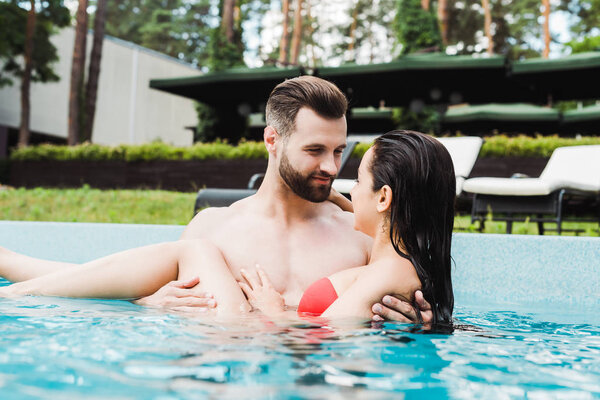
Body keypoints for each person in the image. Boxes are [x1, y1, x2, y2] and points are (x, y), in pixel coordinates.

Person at [0, 76, 432, 323]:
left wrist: (417, 318)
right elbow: (139, 286)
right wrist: (149, 302)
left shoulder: (358, 236)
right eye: (315, 151)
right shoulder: (214, 227)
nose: (331, 167)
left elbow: (397, 300)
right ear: (272, 140)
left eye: (339, 151)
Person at [239, 131, 455, 323]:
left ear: (383, 198)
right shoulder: (402, 266)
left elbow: (327, 334)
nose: (352, 191)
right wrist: (332, 196)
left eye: (358, 180)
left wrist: (273, 312)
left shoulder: (390, 272)